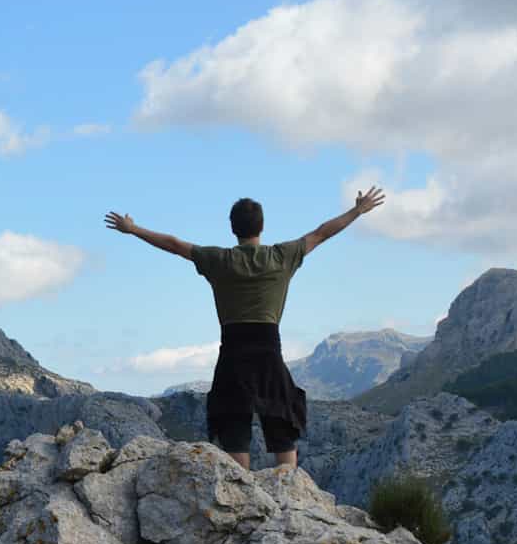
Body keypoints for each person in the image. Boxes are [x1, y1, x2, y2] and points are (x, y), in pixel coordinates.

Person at [105, 188, 387, 467]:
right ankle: (287, 489)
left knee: (233, 425)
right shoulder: (281, 257)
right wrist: (357, 211)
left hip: (233, 352)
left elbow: (175, 244)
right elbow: (321, 232)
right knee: (282, 419)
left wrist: (134, 229)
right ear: (262, 226)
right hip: (268, 350)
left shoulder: (218, 260)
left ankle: (242, 493)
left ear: (232, 228)